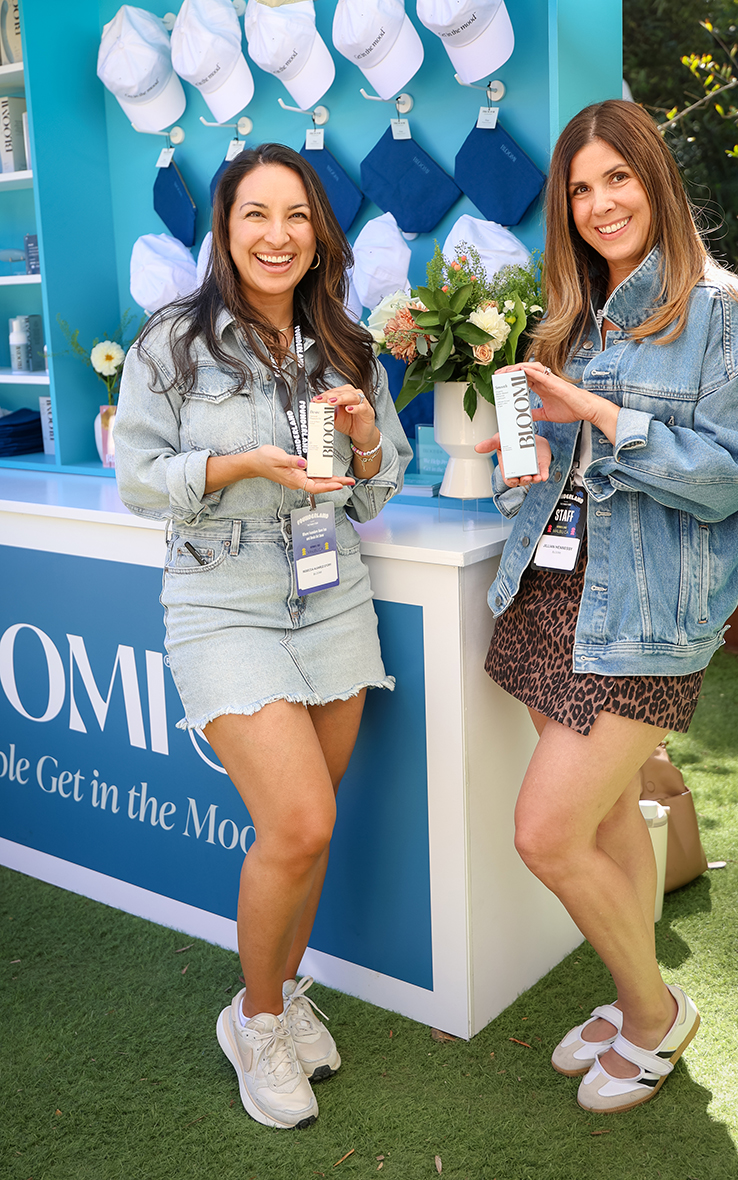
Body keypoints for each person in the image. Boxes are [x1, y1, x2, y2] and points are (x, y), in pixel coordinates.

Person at [476, 100, 738, 1114]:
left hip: (644, 616)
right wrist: (513, 460)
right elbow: (559, 471)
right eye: (579, 187)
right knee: (605, 814)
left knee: (542, 832)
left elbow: (730, 477)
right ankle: (628, 995)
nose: (599, 202)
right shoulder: (569, 312)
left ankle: (654, 1014)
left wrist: (601, 414)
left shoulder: (722, 311)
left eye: (617, 178)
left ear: (654, 179)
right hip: (547, 593)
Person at [114, 143, 411, 1130]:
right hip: (220, 599)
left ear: (318, 230)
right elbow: (137, 476)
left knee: (309, 823)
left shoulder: (347, 338)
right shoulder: (171, 342)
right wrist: (238, 462)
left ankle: (282, 996)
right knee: (300, 822)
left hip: (332, 597)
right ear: (225, 228)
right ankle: (252, 1017)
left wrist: (366, 427)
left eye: (296, 216)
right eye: (255, 215)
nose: (277, 235)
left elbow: (373, 490)